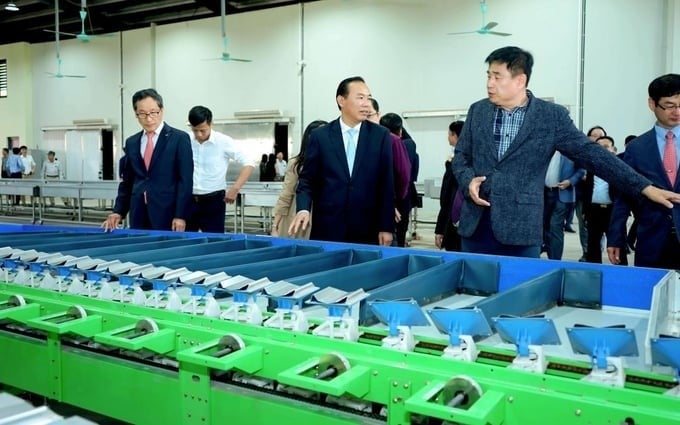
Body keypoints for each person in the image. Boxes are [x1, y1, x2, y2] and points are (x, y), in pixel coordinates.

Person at [452, 46, 680, 258]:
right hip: (476, 226)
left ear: (520, 80)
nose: (489, 83)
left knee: (517, 294)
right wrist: (468, 180)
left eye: (497, 76)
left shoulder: (550, 117)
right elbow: (461, 157)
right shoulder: (478, 111)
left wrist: (644, 187)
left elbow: (594, 155)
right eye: (488, 75)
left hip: (520, 228)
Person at [289, 76, 395, 246]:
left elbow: (386, 185)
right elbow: (307, 180)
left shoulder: (380, 136)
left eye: (368, 98)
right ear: (341, 100)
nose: (366, 103)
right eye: (360, 97)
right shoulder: (321, 136)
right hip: (328, 228)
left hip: (368, 229)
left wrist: (386, 227)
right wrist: (303, 208)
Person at [608, 73, 680, 269]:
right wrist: (616, 237)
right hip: (652, 241)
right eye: (669, 105)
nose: (677, 111)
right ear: (652, 104)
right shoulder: (637, 148)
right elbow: (623, 195)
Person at [102, 88, 193, 231]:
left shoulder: (179, 139)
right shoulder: (132, 142)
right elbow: (128, 182)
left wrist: (180, 215)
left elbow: (185, 181)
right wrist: (118, 211)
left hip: (168, 215)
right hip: (138, 213)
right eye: (142, 114)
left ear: (161, 110)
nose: (149, 118)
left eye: (153, 112)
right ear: (136, 114)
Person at [186, 105, 257, 233]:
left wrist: (235, 188)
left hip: (213, 201)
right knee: (186, 241)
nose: (199, 134)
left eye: (203, 130)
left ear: (211, 124)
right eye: (195, 130)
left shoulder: (223, 142)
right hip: (188, 200)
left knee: (214, 242)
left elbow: (249, 162)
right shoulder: (186, 140)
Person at [271, 120, 327, 239]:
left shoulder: (334, 163)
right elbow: (286, 194)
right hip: (301, 218)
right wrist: (275, 226)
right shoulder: (297, 163)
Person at [582, 136, 626, 264]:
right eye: (599, 146)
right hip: (594, 211)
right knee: (593, 244)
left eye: (606, 146)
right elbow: (587, 189)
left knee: (617, 243)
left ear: (613, 149)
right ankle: (594, 271)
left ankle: (622, 271)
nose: (602, 149)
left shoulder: (620, 166)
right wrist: (585, 209)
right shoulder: (591, 166)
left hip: (613, 211)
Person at [378, 112, 412, 247]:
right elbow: (404, 174)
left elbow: (403, 174)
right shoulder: (394, 140)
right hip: (391, 203)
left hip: (389, 202)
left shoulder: (390, 140)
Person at [542, 153, 584, 260]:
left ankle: (555, 259)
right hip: (544, 193)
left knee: (555, 226)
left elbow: (581, 170)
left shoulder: (570, 150)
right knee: (544, 226)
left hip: (563, 193)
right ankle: (547, 250)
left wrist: (570, 181)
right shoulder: (546, 148)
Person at [435, 120, 464, 251]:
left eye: (449, 134)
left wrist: (440, 229)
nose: (448, 137)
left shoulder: (454, 163)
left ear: (455, 135)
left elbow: (446, 198)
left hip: (453, 221)